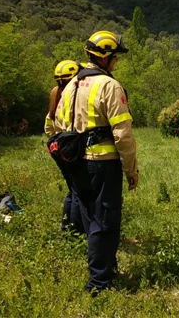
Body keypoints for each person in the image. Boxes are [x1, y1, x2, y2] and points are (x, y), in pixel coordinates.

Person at [53, 30, 139, 294]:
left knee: (91, 218)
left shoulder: (71, 85)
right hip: (103, 163)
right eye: (115, 57)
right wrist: (131, 169)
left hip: (77, 163)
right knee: (106, 221)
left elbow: (58, 123)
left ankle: (104, 268)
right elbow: (122, 132)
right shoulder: (109, 86)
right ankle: (100, 282)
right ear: (105, 57)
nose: (116, 63)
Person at [46, 59, 84, 233]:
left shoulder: (56, 95)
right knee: (77, 191)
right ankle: (75, 231)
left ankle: (66, 226)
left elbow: (48, 127)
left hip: (58, 148)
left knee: (72, 189)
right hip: (71, 148)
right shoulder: (71, 96)